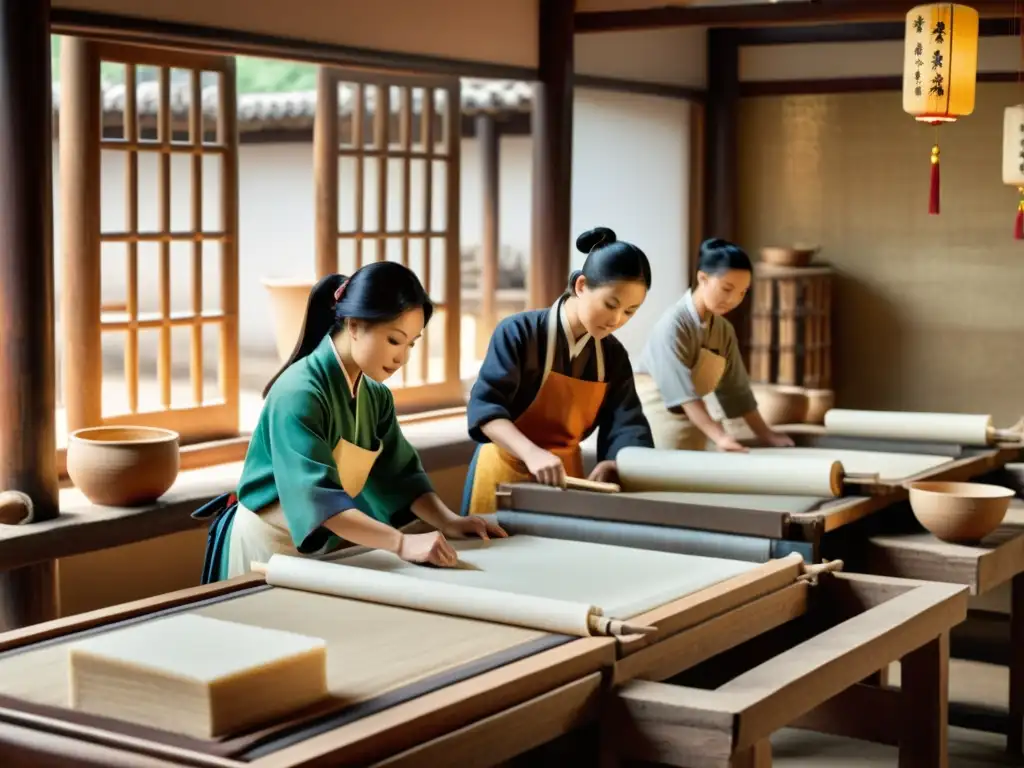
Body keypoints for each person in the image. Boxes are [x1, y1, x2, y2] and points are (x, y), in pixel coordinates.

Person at [194, 262, 505, 584]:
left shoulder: (375, 397)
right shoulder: (298, 393)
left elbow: (400, 475)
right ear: (354, 325)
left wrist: (449, 521)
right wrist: (401, 543)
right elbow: (316, 497)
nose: (403, 357)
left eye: (412, 343)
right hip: (264, 545)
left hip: (318, 545)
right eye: (394, 340)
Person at [462, 226, 655, 516]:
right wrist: (530, 452)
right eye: (610, 304)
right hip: (503, 470)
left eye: (630, 311)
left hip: (565, 478)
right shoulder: (518, 332)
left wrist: (614, 464)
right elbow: (486, 409)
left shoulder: (611, 355)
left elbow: (626, 422)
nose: (617, 320)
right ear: (580, 285)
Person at [633, 238, 795, 453]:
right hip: (657, 418)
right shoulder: (673, 325)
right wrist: (720, 436)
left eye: (742, 292)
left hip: (699, 421)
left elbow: (737, 390)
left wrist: (766, 434)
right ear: (703, 278)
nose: (733, 300)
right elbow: (682, 393)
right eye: (727, 288)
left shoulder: (723, 330)